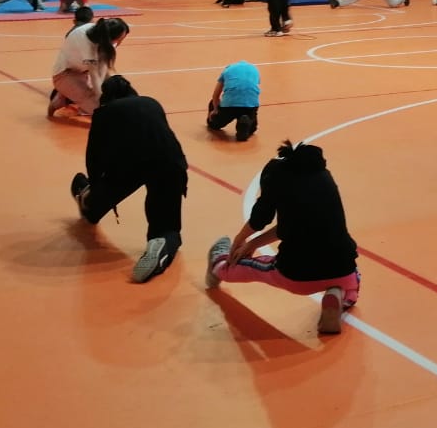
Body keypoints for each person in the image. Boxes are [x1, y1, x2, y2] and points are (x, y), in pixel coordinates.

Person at [206, 141, 361, 335]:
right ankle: (342, 295)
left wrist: (240, 240)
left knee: (255, 269)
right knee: (350, 275)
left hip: (296, 274)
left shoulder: (276, 178)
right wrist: (253, 243)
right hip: (344, 269)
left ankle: (219, 265)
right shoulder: (323, 176)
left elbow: (260, 217)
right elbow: (293, 224)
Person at [69, 76, 189, 283]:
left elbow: (94, 159)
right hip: (171, 164)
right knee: (167, 228)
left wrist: (98, 190)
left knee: (94, 204)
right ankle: (160, 244)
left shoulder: (104, 113)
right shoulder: (152, 102)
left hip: (129, 167)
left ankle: (88, 202)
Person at [48, 16, 130, 119]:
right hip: (64, 74)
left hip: (83, 72)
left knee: (110, 98)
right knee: (98, 109)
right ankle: (62, 95)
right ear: (110, 38)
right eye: (119, 39)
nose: (120, 42)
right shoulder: (85, 40)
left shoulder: (106, 36)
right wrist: (101, 101)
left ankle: (67, 94)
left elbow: (103, 67)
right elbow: (95, 75)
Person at [207, 60, 260, 141]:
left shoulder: (227, 70)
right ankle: (244, 124)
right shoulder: (255, 70)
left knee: (215, 125)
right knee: (252, 128)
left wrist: (215, 110)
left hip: (229, 105)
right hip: (250, 105)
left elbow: (216, 95)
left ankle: (214, 118)